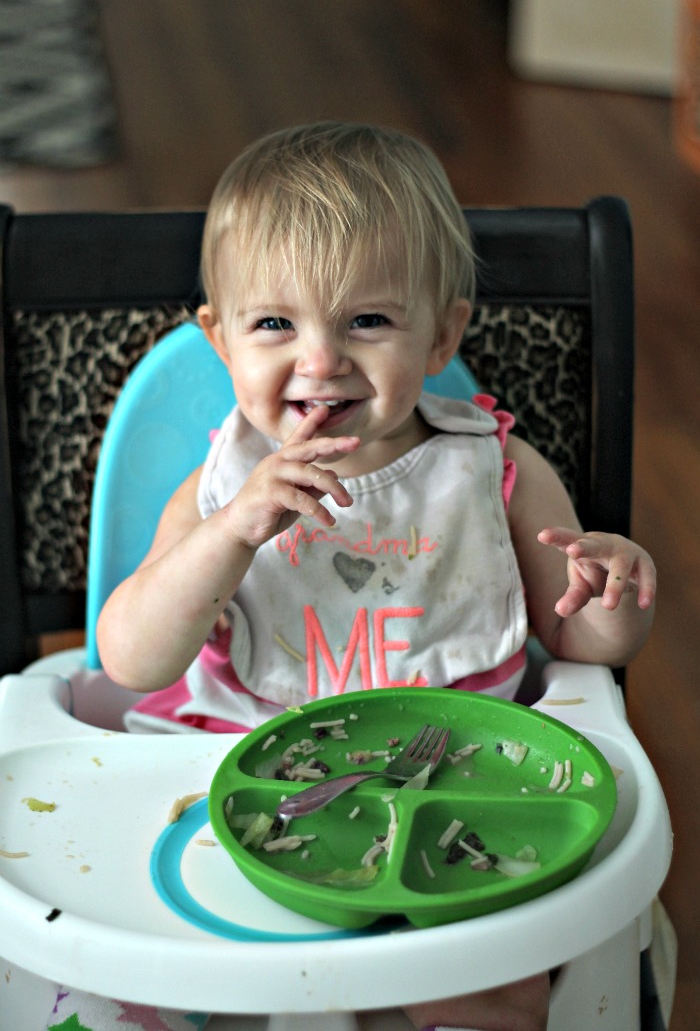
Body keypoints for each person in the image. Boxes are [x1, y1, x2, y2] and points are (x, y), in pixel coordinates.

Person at [48, 122, 656, 1031]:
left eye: (367, 319)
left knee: (497, 982)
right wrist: (232, 534)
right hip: (238, 773)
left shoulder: (493, 470)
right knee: (146, 968)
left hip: (452, 774)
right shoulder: (221, 486)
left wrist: (609, 595)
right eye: (274, 324)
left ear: (444, 328)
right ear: (221, 340)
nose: (322, 358)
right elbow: (132, 658)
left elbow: (575, 642)